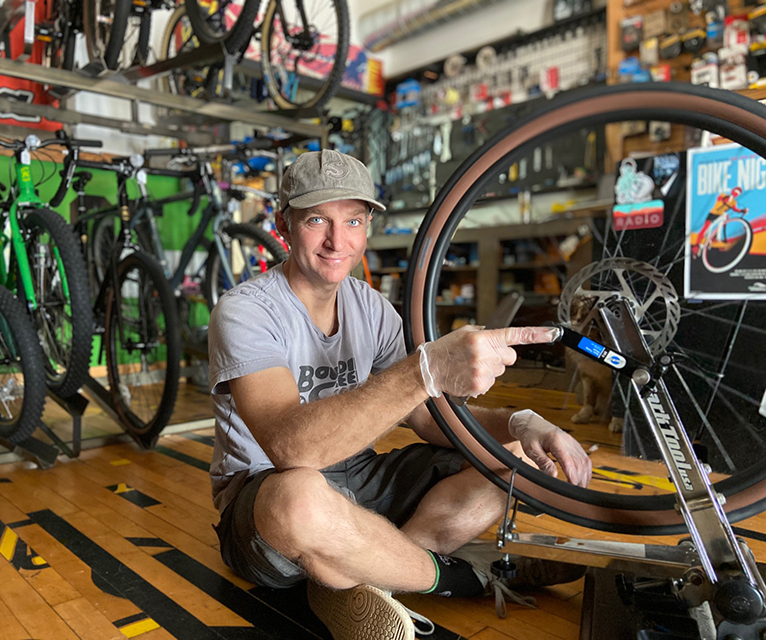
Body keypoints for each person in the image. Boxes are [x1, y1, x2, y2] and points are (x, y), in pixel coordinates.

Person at [208, 149, 592, 640]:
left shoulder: (372, 309)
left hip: (360, 478)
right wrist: (425, 370)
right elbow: (291, 450)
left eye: (353, 220)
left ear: (367, 225)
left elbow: (430, 420)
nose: (336, 240)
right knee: (300, 499)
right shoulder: (245, 311)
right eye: (317, 220)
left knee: (512, 460)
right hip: (268, 498)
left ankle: (354, 575)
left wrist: (523, 422)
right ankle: (459, 576)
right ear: (284, 224)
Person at [692, 186, 748, 257]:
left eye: (738, 193)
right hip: (713, 214)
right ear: (732, 191)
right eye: (735, 192)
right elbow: (721, 199)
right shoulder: (723, 195)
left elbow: (735, 209)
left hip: (720, 215)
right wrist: (729, 199)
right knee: (705, 228)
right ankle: (697, 245)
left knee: (725, 217)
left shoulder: (734, 202)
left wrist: (742, 211)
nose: (736, 194)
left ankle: (716, 238)